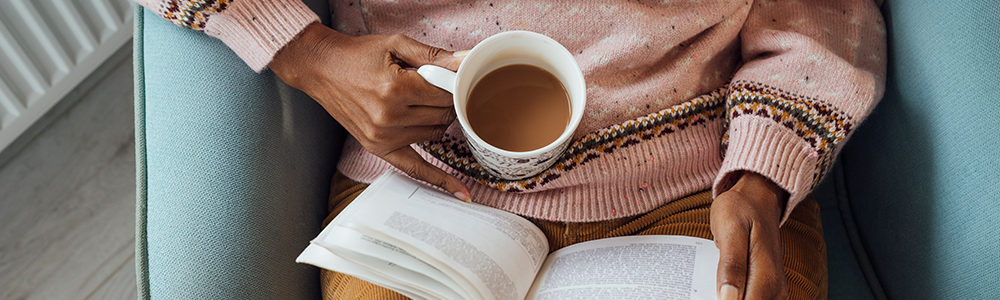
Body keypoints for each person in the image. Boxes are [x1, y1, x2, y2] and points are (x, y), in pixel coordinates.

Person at [135, 0, 887, 299]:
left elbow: (823, 13)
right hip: (423, 180)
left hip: (705, 185)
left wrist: (762, 171)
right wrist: (308, 53)